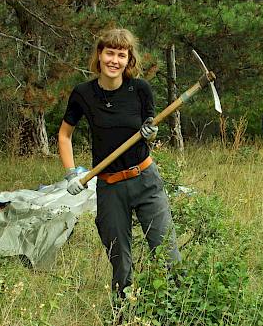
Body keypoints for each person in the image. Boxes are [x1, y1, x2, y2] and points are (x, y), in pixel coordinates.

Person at [57, 28, 181, 298]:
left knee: (168, 254)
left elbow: (150, 125)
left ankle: (177, 311)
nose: (114, 60)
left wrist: (152, 131)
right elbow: (65, 135)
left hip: (145, 181)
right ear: (99, 55)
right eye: (109, 53)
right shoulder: (83, 94)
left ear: (129, 60)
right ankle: (124, 313)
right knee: (120, 262)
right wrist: (70, 174)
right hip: (110, 187)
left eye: (121, 55)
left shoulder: (140, 89)